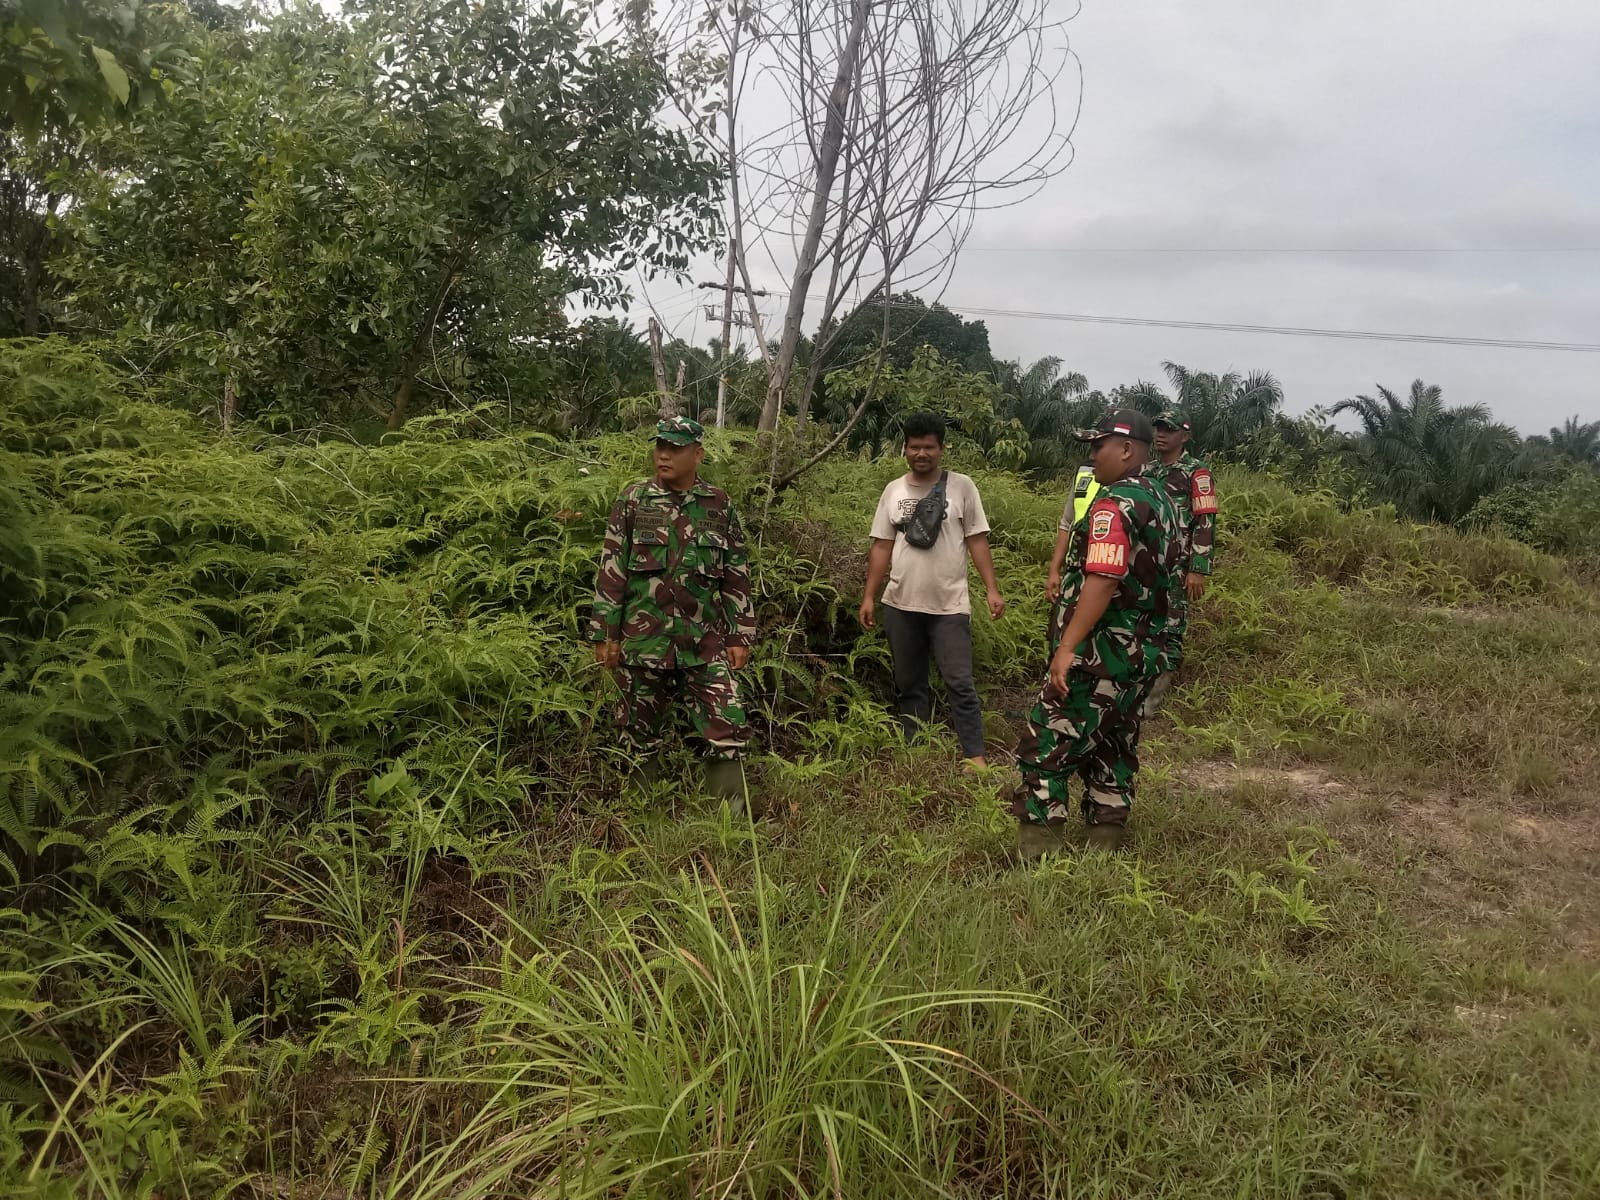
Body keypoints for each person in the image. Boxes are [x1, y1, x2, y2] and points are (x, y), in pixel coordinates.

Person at [1012, 408, 1178, 858]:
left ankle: (1039, 854)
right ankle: (1104, 847)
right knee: (1113, 746)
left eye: (1098, 446)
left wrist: (1067, 647)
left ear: (1126, 449)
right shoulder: (1161, 501)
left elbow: (1103, 580)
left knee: (1045, 743)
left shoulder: (1114, 504)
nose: (1092, 455)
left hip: (1100, 654)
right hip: (1142, 657)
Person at [589, 416, 758, 814]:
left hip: (704, 643)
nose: (663, 454)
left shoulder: (719, 505)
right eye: (659, 446)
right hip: (641, 642)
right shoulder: (633, 501)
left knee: (727, 725)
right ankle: (640, 818)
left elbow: (736, 574)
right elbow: (611, 571)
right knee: (636, 732)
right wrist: (605, 634)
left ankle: (731, 820)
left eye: (675, 448)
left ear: (697, 454)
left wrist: (740, 635)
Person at [859, 411, 1005, 767]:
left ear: (941, 448)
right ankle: (915, 750)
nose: (920, 454)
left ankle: (975, 757)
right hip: (900, 603)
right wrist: (869, 595)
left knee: (959, 682)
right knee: (909, 683)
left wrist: (991, 589)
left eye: (928, 447)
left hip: (949, 606)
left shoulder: (962, 487)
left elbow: (977, 539)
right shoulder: (893, 490)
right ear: (904, 449)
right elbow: (881, 545)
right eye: (913, 447)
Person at [1141, 406, 1218, 717]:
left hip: (1177, 568)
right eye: (1158, 427)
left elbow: (1206, 522)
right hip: (1145, 566)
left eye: (1169, 429)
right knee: (1140, 626)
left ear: (1185, 436)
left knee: (1170, 629)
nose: (1161, 434)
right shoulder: (1148, 472)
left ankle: (1152, 702)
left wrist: (1198, 568)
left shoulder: (1196, 473)